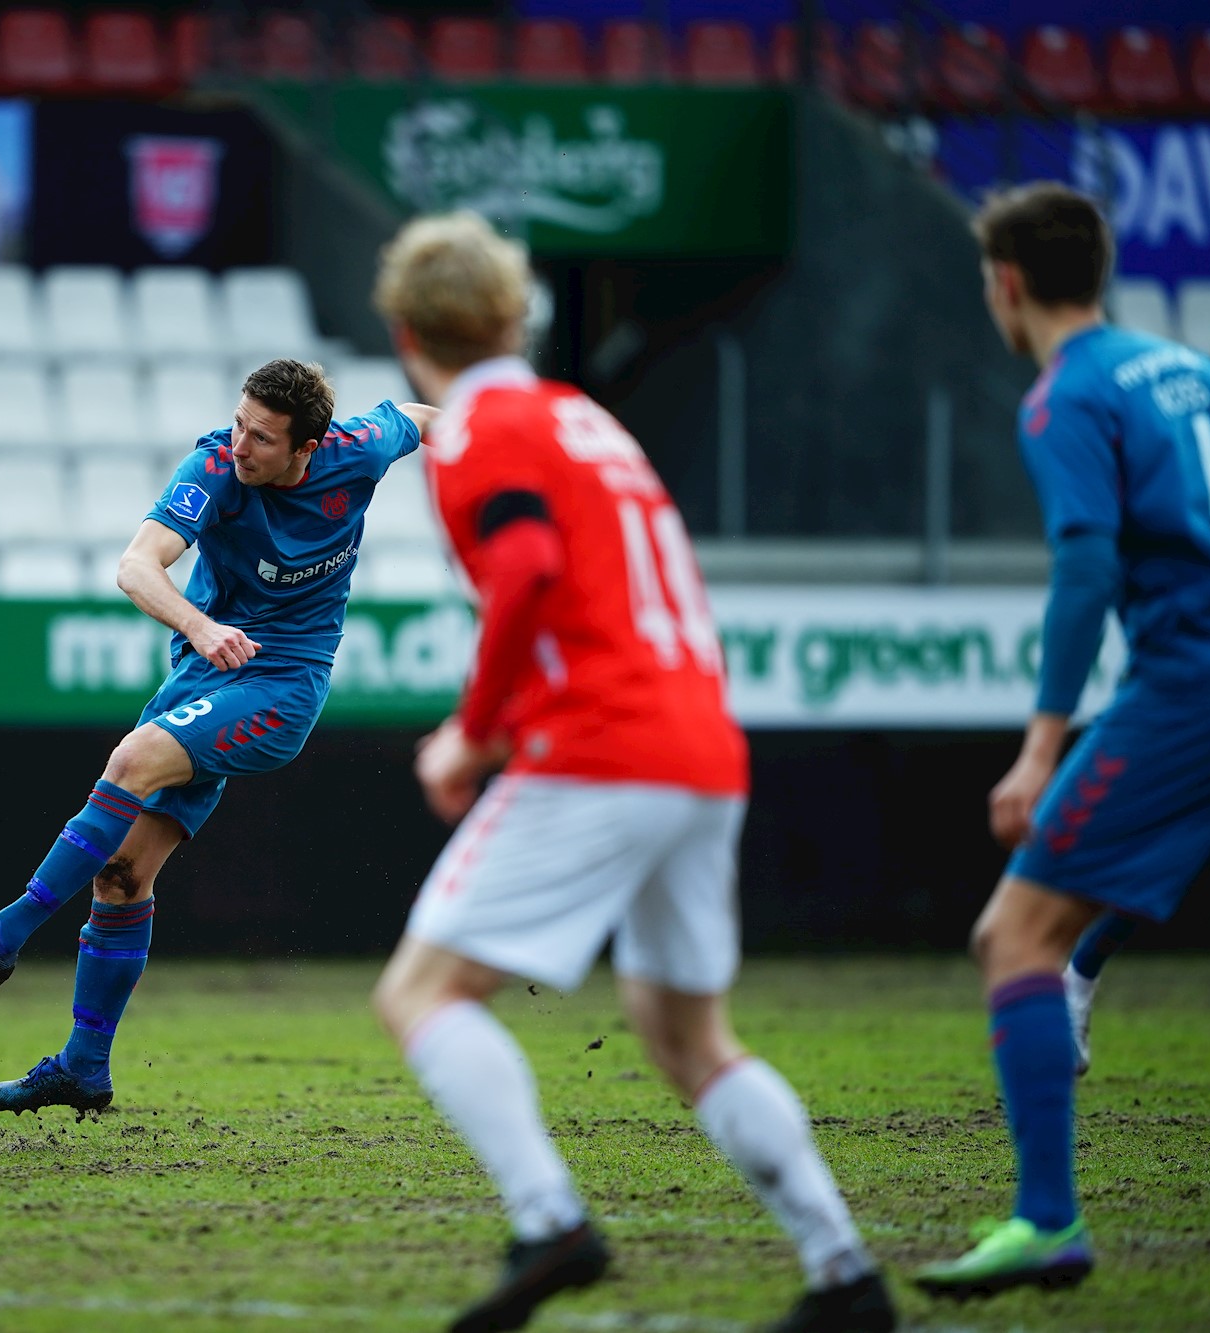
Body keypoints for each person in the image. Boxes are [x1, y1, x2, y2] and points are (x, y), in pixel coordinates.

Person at [367, 213, 896, 1333]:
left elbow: (521, 569)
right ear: (517, 317)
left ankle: (547, 1217)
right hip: (700, 742)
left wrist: (472, 729)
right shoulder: (580, 415)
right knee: (685, 1032)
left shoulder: (477, 429)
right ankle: (842, 1273)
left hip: (601, 745)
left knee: (418, 992)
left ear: (406, 332)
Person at [0, 359, 437, 1113]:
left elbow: (420, 419)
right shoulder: (215, 465)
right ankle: (84, 1068)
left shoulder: (359, 446)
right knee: (121, 874)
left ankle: (5, 931)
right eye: (238, 424)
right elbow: (136, 567)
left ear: (308, 447)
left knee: (132, 759)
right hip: (204, 674)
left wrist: (500, 451)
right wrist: (199, 624)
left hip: (281, 685)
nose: (241, 444)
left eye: (261, 437)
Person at [916, 184, 1210, 1300]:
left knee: (1014, 935)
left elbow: (1088, 567)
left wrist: (1040, 744)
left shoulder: (1065, 399)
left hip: (1196, 683)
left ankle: (1045, 1217)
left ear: (1005, 283)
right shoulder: (1194, 371)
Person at [1059, 307, 1210, 1076]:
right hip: (1198, 696)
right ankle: (1072, 974)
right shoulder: (1184, 471)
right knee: (1147, 861)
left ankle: (1074, 975)